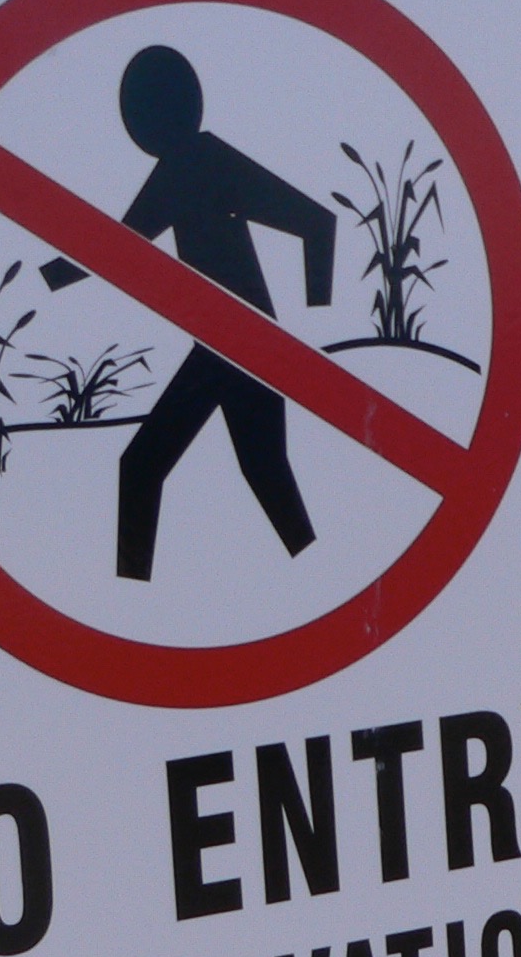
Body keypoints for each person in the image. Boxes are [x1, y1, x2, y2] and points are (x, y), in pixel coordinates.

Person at [44, 44, 337, 581]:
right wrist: (51, 277)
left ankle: (326, 581)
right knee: (248, 472)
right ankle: (323, 577)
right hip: (225, 346)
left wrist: (318, 316)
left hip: (246, 346)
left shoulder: (207, 160)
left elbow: (317, 222)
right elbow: (120, 245)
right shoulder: (177, 168)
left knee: (179, 468)